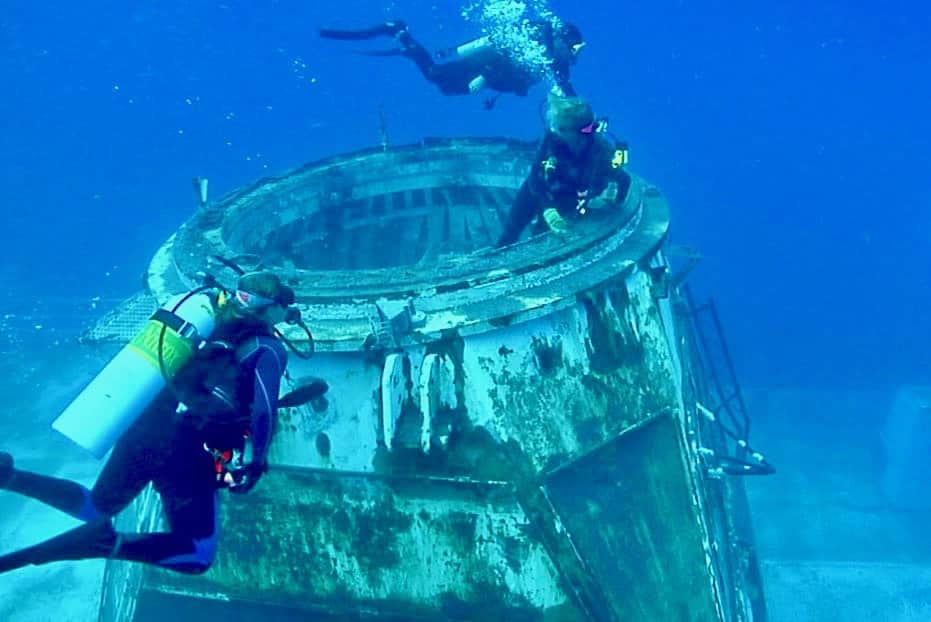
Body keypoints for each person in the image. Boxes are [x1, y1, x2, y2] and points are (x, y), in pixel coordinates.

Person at [0, 271, 293, 575]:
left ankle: (9, 477)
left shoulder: (203, 317)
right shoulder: (267, 348)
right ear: (271, 309)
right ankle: (104, 544)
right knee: (198, 554)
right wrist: (258, 459)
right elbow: (264, 411)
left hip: (145, 425)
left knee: (97, 506)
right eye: (284, 303)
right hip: (189, 451)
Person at [319, 19, 584, 109]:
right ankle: (400, 33)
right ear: (561, 39)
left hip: (486, 76)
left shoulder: (556, 63)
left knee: (442, 86)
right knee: (434, 75)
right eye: (574, 47)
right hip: (480, 68)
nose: (574, 54)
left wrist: (585, 118)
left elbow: (565, 89)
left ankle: (405, 40)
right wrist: (485, 74)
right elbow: (497, 46)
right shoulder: (542, 45)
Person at [496, 95, 633, 247]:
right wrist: (548, 208)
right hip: (540, 188)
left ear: (578, 132)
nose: (554, 129)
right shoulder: (552, 138)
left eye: (560, 128)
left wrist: (616, 202)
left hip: (568, 197)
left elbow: (623, 179)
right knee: (511, 229)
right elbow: (536, 175)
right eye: (554, 125)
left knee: (544, 238)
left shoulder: (600, 152)